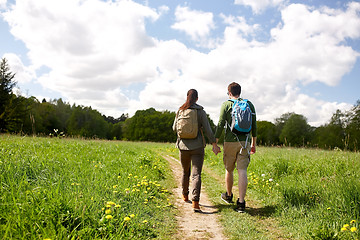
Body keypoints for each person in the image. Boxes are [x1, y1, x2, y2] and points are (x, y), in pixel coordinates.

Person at [173, 89, 221, 212]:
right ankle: (195, 202)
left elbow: (174, 128)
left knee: (185, 171)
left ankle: (185, 196)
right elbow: (208, 129)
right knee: (196, 174)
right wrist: (214, 144)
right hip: (197, 147)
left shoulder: (180, 110)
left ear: (187, 97)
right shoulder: (200, 112)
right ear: (197, 99)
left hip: (183, 146)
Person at [214, 82, 257, 213]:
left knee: (229, 169)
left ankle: (228, 195)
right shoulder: (249, 105)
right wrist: (253, 144)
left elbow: (221, 124)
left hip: (230, 142)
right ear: (240, 92)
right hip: (245, 142)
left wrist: (215, 143)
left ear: (229, 93)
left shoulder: (226, 104)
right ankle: (241, 203)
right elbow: (254, 126)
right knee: (242, 170)